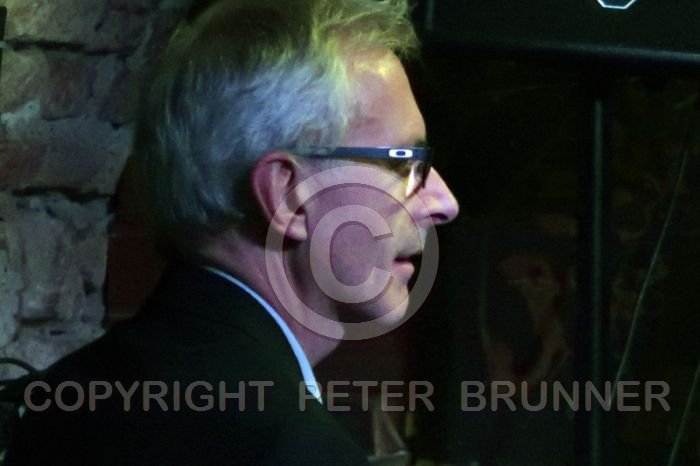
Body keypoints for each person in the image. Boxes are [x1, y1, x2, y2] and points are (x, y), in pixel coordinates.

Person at [6, 0, 459, 464]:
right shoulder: (295, 449)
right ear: (288, 195)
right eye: (403, 163)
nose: (445, 202)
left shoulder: (61, 397)